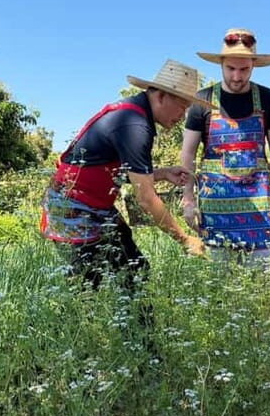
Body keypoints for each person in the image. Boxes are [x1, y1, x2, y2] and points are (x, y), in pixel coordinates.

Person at [41, 60, 208, 290]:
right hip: (74, 210)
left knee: (135, 272)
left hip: (97, 207)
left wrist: (162, 174)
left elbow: (112, 172)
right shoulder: (134, 125)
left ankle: (139, 324)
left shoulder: (136, 117)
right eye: (182, 106)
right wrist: (185, 239)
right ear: (160, 96)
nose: (183, 115)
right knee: (88, 286)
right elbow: (146, 199)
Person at [180, 28, 270, 263]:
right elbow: (187, 153)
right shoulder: (203, 100)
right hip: (215, 208)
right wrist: (188, 198)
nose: (237, 77)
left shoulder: (267, 98)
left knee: (261, 284)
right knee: (219, 287)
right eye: (231, 69)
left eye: (244, 69)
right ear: (221, 64)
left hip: (258, 208)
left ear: (253, 65)